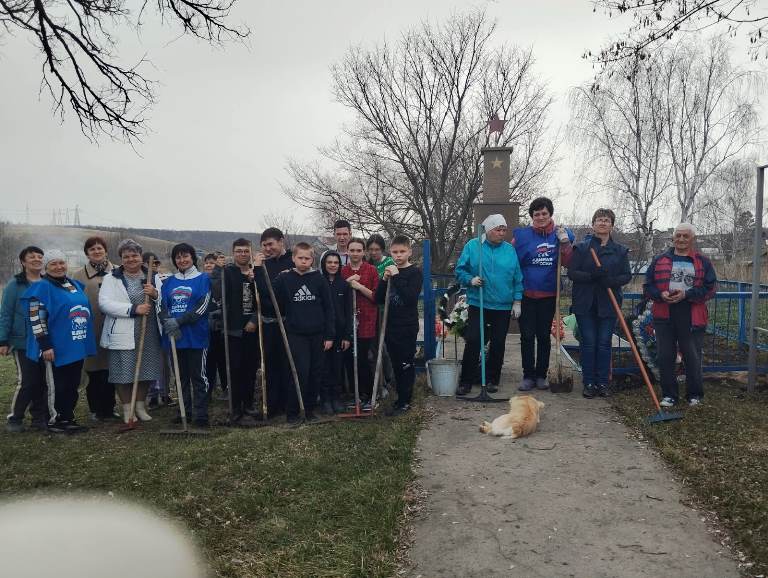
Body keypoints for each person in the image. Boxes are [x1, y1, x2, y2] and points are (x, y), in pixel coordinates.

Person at [22, 249, 96, 433]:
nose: (58, 266)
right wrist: (45, 345)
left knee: (72, 384)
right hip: (54, 347)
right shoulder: (41, 288)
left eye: (61, 262)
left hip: (74, 344)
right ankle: (53, 420)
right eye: (53, 264)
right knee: (57, 385)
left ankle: (67, 417)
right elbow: (36, 320)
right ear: (46, 267)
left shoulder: (72, 284)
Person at [644, 223, 716, 407]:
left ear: (692, 239)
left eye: (686, 236)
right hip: (664, 313)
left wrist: (687, 294)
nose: (681, 239)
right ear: (673, 238)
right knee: (666, 356)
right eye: (678, 236)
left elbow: (710, 288)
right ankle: (669, 395)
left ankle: (695, 394)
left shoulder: (703, 262)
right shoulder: (660, 260)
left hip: (692, 314)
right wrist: (660, 294)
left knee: (692, 356)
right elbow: (647, 285)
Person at [455, 215, 524, 395]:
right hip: (479, 302)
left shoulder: (509, 250)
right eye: (498, 230)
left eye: (504, 230)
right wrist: (471, 279)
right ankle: (466, 381)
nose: (502, 234)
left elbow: (517, 276)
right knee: (473, 340)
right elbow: (460, 269)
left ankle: (493, 379)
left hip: (502, 305)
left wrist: (517, 300)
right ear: (488, 229)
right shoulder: (473, 246)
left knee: (498, 342)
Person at [567, 209, 631, 398]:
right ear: (593, 224)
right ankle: (588, 382)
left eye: (606, 220)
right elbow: (572, 273)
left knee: (604, 343)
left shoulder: (619, 251)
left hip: (608, 304)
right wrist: (591, 276)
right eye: (599, 220)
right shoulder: (582, 248)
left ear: (612, 225)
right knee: (588, 343)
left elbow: (626, 275)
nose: (603, 223)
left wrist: (611, 281)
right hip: (585, 303)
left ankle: (602, 383)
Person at [513, 197, 575, 391]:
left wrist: (565, 245)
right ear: (532, 216)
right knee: (526, 336)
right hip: (526, 295)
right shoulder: (522, 237)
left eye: (544, 213)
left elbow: (568, 262)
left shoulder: (560, 235)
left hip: (549, 295)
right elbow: (511, 260)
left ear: (550, 215)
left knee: (543, 336)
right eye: (536, 214)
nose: (540, 217)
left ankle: (541, 374)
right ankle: (528, 375)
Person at [99, 239, 163, 423]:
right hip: (123, 331)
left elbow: (164, 300)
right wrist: (133, 309)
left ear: (141, 256)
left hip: (148, 331)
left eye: (134, 255)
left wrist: (155, 294)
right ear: (121, 259)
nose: (131, 259)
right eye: (126, 256)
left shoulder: (152, 275)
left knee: (146, 370)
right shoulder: (112, 278)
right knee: (123, 371)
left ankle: (140, 406)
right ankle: (128, 409)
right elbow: (105, 303)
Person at [272, 242, 335, 423]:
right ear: (293, 258)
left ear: (312, 259)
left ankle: (309, 411)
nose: (304, 261)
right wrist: (259, 273)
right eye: (300, 258)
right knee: (299, 372)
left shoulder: (319, 279)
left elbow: (329, 308)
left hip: (318, 334)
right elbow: (269, 294)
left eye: (307, 258)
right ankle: (293, 413)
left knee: (315, 372)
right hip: (296, 334)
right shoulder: (285, 279)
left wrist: (329, 335)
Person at [160, 243, 212, 427]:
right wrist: (167, 321)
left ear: (192, 258)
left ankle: (200, 414)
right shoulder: (168, 282)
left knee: (198, 377)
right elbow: (161, 306)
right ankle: (184, 410)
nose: (182, 260)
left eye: (185, 256)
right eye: (178, 257)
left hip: (196, 336)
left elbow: (202, 307)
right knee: (180, 377)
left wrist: (179, 321)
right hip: (175, 338)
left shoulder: (203, 279)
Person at [211, 238, 259, 421]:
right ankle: (236, 405)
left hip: (251, 329)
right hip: (232, 329)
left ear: (250, 252)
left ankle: (248, 403)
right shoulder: (227, 272)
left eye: (246, 251)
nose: (243, 254)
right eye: (239, 251)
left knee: (250, 368)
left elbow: (263, 300)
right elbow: (217, 292)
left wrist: (254, 319)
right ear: (233, 252)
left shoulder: (256, 273)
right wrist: (216, 270)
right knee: (235, 368)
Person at [72, 236, 118, 421]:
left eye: (100, 248)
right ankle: (95, 409)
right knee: (93, 370)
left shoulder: (117, 271)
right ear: (87, 253)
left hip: (113, 327)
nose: (96, 251)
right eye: (92, 249)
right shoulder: (78, 275)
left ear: (105, 250)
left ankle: (109, 408)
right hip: (91, 328)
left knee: (110, 370)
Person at [375, 235, 423, 414]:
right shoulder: (390, 271)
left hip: (407, 326)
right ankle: (400, 398)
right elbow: (378, 298)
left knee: (405, 363)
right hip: (390, 325)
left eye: (402, 251)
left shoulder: (414, 273)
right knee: (396, 363)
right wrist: (384, 279)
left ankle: (405, 401)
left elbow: (410, 298)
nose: (398, 255)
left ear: (409, 252)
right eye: (395, 252)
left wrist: (396, 277)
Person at [2, 246, 47, 432]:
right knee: (27, 380)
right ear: (23, 262)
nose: (36, 259)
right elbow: (5, 313)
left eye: (39, 256)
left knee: (43, 381)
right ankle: (15, 418)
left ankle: (39, 418)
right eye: (31, 257)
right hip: (23, 341)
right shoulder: (15, 285)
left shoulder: (48, 283)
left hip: (45, 340)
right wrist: (2, 340)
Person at [253, 228, 294, 416]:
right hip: (269, 321)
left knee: (288, 362)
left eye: (271, 244)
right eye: (265, 245)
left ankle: (289, 402)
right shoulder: (262, 265)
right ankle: (272, 404)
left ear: (281, 241)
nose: (268, 248)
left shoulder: (293, 260)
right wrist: (258, 268)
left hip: (290, 320)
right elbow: (262, 291)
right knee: (270, 363)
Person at [342, 237, 380, 404]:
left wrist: (359, 287)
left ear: (364, 252)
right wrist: (347, 283)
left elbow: (376, 297)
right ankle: (354, 393)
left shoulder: (371, 270)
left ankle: (368, 393)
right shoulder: (343, 271)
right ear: (347, 252)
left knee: (364, 357)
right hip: (348, 319)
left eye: (359, 250)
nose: (355, 253)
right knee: (350, 358)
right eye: (352, 250)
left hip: (367, 319)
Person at [319, 251, 352, 414]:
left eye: (335, 262)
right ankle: (325, 399)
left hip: (340, 334)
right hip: (322, 333)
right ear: (324, 264)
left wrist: (347, 335)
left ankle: (337, 398)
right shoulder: (318, 282)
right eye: (329, 262)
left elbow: (347, 312)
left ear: (340, 265)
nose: (332, 265)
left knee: (337, 366)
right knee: (324, 367)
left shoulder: (344, 285)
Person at [203, 253, 228, 400]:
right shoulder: (200, 280)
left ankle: (226, 388)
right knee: (209, 360)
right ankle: (208, 389)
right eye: (206, 263)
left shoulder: (223, 278)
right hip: (206, 326)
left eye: (212, 263)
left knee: (223, 359)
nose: (208, 265)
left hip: (222, 324)